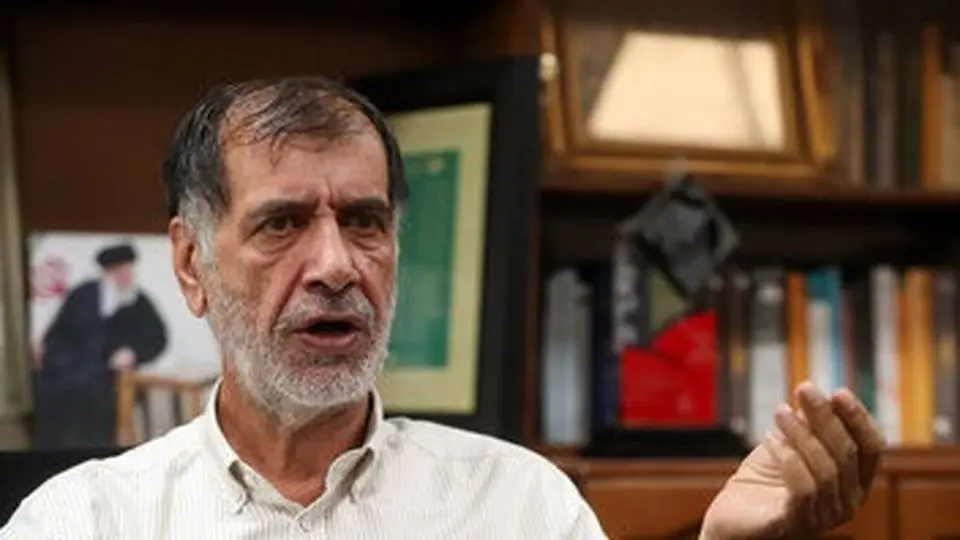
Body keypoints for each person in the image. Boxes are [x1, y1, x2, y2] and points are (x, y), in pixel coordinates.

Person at [1, 76, 885, 539]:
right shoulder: (80, 523)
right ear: (191, 264)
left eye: (364, 221)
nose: (336, 266)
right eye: (282, 224)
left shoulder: (522, 505)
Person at [29, 242, 168, 450]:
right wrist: (57, 359)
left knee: (92, 395)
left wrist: (133, 352)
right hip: (69, 367)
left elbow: (158, 338)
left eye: (128, 271)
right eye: (120, 272)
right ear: (108, 273)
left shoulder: (139, 301)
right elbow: (57, 335)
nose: (126, 276)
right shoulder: (83, 294)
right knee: (43, 387)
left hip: (109, 376)